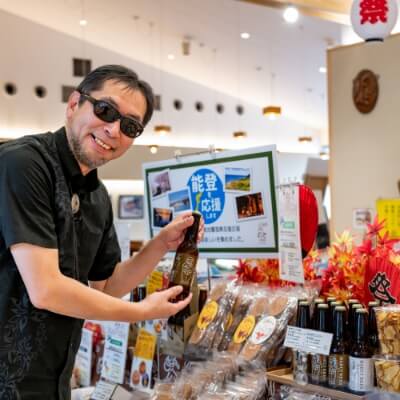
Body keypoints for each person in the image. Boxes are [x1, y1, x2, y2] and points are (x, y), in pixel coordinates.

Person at [0, 64, 203, 399]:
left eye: (130, 126)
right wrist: (141, 312)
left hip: (52, 383)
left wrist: (160, 245)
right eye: (105, 110)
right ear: (73, 104)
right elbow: (45, 289)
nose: (113, 129)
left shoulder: (97, 197)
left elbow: (107, 287)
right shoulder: (24, 163)